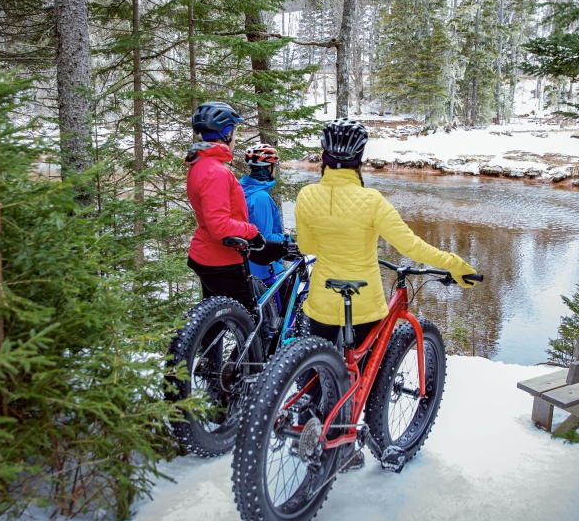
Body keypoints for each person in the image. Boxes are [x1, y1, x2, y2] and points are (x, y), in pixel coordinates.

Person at [294, 118, 478, 470]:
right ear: (359, 159)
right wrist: (455, 263)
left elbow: (307, 245)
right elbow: (411, 246)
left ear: (324, 156)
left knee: (317, 370)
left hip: (320, 302)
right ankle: (343, 446)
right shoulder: (371, 201)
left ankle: (309, 423)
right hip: (363, 305)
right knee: (361, 377)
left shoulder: (307, 195)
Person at [185, 101, 265, 310]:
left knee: (213, 324)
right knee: (255, 327)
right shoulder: (215, 172)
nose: (235, 137)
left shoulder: (199, 164)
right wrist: (252, 231)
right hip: (222, 260)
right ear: (226, 134)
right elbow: (219, 225)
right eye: (235, 131)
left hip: (205, 255)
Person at [240, 144, 286, 283]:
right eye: (275, 167)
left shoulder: (241, 189)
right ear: (269, 168)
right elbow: (265, 240)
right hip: (264, 271)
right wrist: (287, 241)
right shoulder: (260, 198)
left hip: (246, 266)